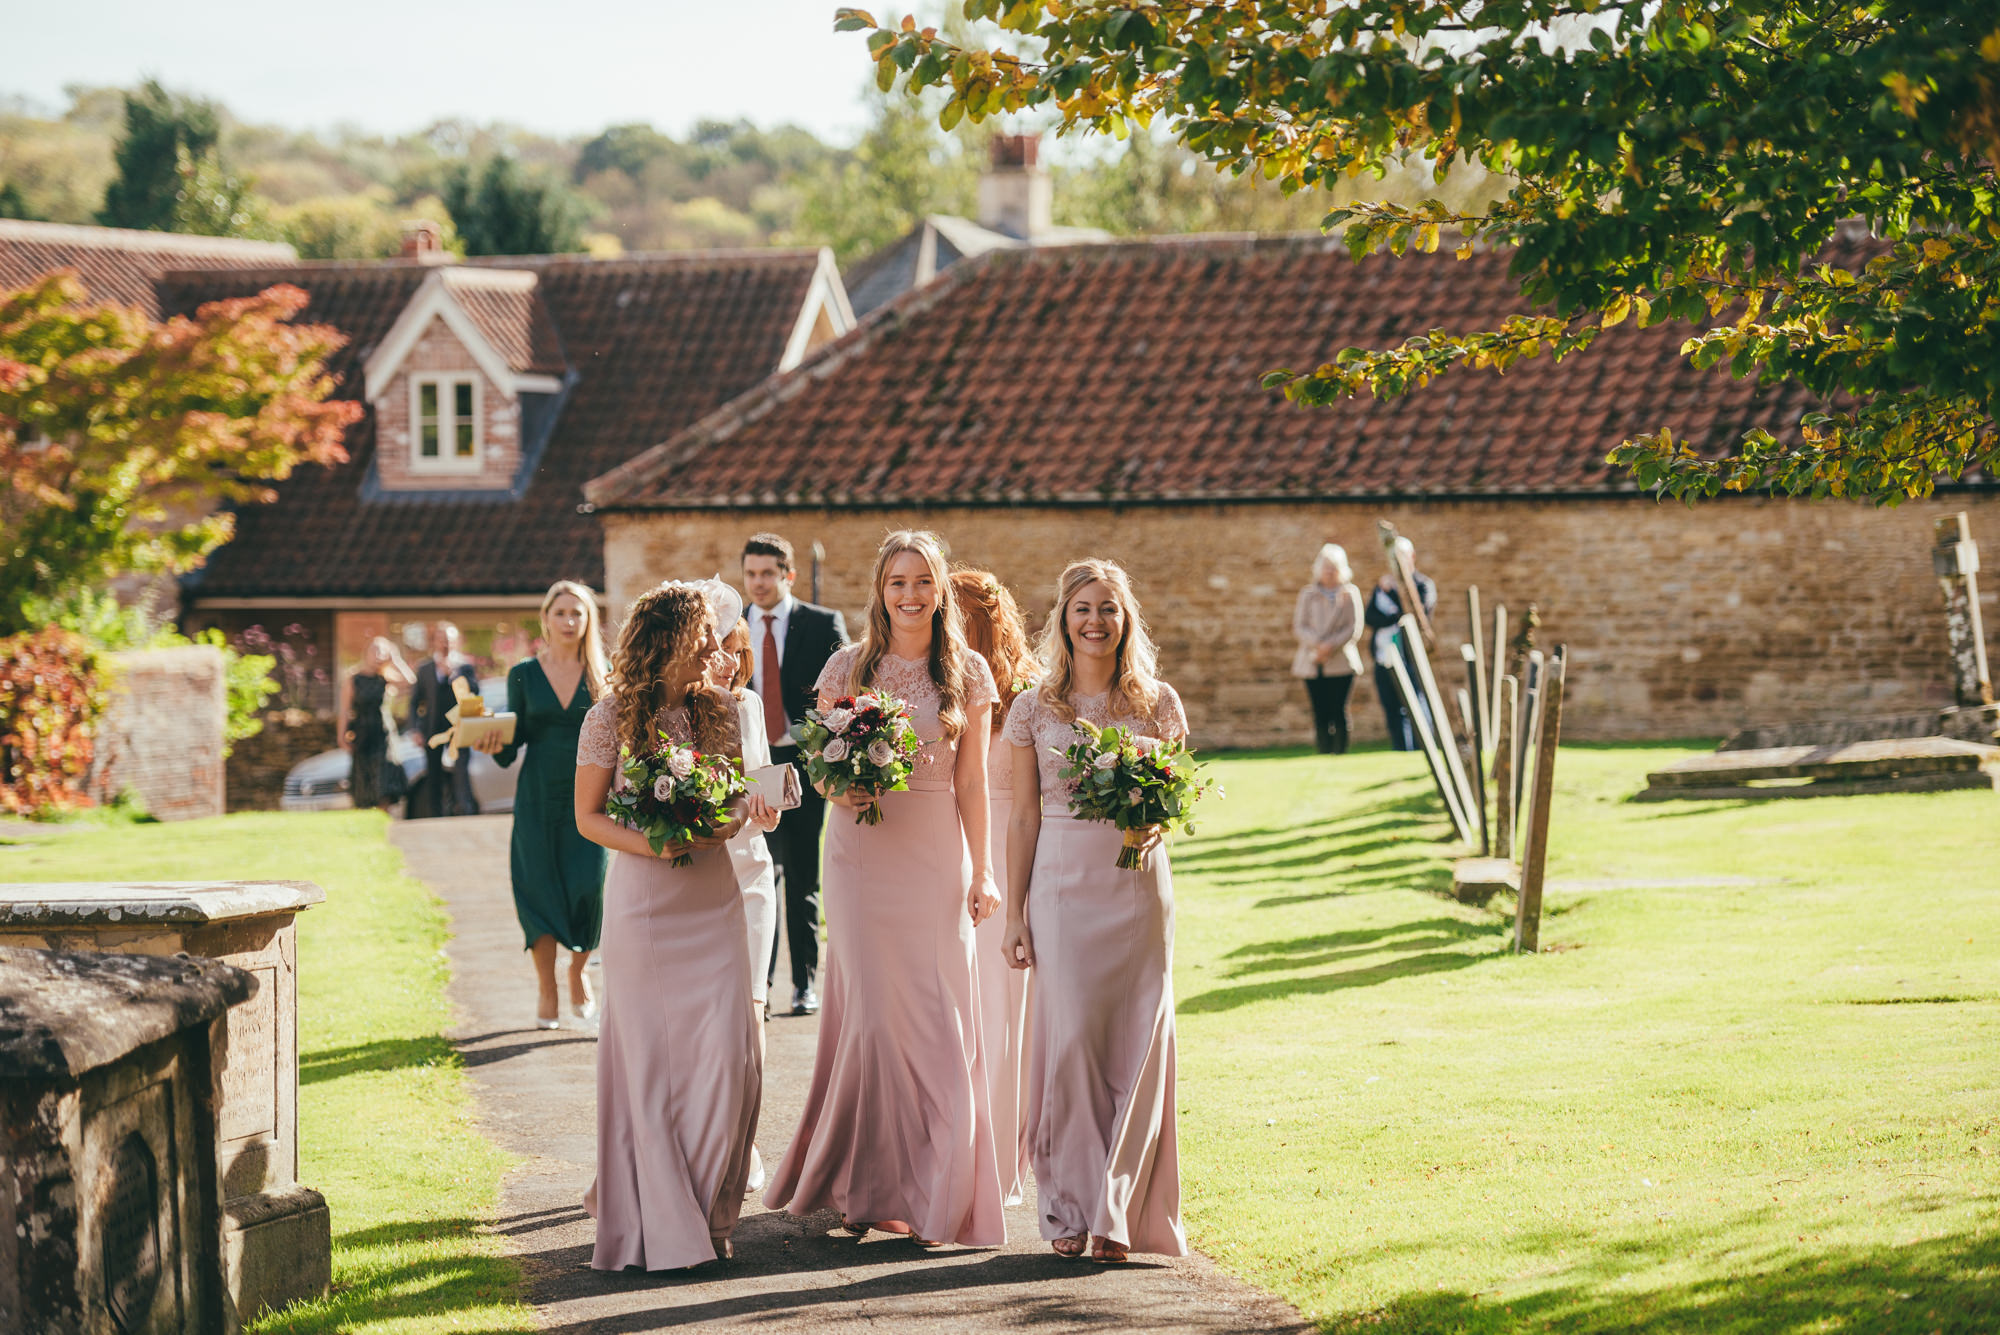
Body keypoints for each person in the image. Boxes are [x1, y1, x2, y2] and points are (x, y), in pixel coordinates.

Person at [764, 530, 1006, 1249]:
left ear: (939, 591)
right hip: (860, 848)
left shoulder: (970, 672)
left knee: (938, 1018)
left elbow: (973, 782)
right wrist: (849, 784)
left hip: (935, 850)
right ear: (880, 590)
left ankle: (941, 1192)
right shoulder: (847, 664)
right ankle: (867, 1189)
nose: (910, 595)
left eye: (922, 582)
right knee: (870, 1021)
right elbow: (820, 768)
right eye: (897, 582)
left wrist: (984, 868)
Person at [572, 581, 780, 1271]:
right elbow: (589, 816)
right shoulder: (609, 718)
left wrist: (751, 809)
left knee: (729, 1058)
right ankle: (661, 1215)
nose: (719, 651)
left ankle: (713, 1205)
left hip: (714, 900)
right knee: (654, 1066)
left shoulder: (721, 711)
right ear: (668, 641)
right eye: (705, 639)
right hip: (644, 905)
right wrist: (658, 844)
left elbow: (732, 798)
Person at [1001, 558, 1190, 1264]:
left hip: (1137, 887)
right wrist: (1015, 915)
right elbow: (1022, 818)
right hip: (1060, 885)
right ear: (1062, 618)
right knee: (1073, 1039)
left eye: (1108, 608)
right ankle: (1069, 1206)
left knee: (1136, 1042)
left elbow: (1173, 802)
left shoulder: (1158, 703)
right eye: (1083, 607)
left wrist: (1155, 828)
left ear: (1126, 618)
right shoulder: (1032, 707)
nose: (1095, 620)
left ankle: (1118, 1210)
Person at [474, 582, 609, 1030]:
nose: (569, 621)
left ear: (588, 620)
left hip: (590, 800)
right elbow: (511, 749)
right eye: (561, 613)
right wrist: (494, 742)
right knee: (537, 891)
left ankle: (577, 970)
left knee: (591, 889)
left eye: (578, 613)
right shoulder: (523, 675)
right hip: (536, 800)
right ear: (545, 618)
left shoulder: (602, 676)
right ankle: (546, 986)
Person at [950, 566, 1037, 1208]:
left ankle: (1002, 1154)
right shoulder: (935, 684)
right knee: (957, 1010)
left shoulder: (1031, 693)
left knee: (1005, 1012)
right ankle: (955, 1149)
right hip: (942, 852)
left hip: (1012, 859)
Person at [740, 533, 848, 1016]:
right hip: (751, 766)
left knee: (803, 874)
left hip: (804, 766)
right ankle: (757, 986)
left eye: (767, 573)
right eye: (751, 574)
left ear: (788, 575)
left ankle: (805, 984)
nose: (758, 583)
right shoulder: (731, 625)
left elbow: (846, 693)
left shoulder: (822, 624)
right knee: (759, 874)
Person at [706, 614, 777, 1195]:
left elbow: (760, 780)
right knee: (707, 1019)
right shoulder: (671, 711)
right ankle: (707, 1138)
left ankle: (746, 1137)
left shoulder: (749, 706)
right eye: (718, 650)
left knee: (752, 1014)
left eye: (737, 650)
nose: (730, 662)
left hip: (751, 870)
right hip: (699, 873)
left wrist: (770, 805)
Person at [1363, 537, 1439, 752]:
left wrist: (1392, 594)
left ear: (1411, 557)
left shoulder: (1423, 585)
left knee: (1415, 704)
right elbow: (1371, 617)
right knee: (1391, 707)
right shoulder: (1382, 585)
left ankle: (1422, 748)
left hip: (1411, 657)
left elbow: (1416, 615)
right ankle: (1400, 749)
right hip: (1384, 657)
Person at [1291, 543, 1365, 755]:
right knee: (1320, 710)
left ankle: (1340, 751)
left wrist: (1330, 646)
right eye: (1326, 567)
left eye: (1334, 568)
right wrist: (1318, 645)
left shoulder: (1350, 593)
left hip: (1340, 660)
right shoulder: (1308, 594)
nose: (1330, 572)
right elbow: (1299, 626)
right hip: (1313, 660)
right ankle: (1323, 750)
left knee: (1339, 709)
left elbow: (1354, 627)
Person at [406, 622, 481, 818]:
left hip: (459, 728)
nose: (445, 643)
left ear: (456, 642)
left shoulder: (465, 666)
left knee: (460, 772)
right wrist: (415, 730)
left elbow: (475, 692)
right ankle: (435, 815)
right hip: (433, 728)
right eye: (441, 639)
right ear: (434, 642)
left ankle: (463, 810)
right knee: (433, 773)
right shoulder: (425, 668)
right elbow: (414, 702)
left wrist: (453, 675)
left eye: (449, 639)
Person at [345, 636, 414, 810]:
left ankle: (384, 820)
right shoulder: (353, 679)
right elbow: (344, 711)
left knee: (384, 782)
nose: (378, 655)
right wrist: (342, 736)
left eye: (383, 651)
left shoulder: (385, 678)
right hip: (362, 735)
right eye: (375, 650)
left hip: (383, 734)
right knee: (364, 782)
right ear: (366, 653)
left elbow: (411, 682)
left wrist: (395, 659)